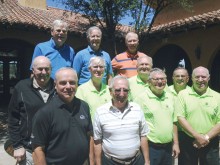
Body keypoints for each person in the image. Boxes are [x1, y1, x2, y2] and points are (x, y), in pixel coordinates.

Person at [31, 67, 93, 165]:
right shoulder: (45, 113)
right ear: (55, 85)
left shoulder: (84, 106)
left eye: (72, 82)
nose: (68, 87)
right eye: (63, 83)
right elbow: (37, 149)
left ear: (77, 84)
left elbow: (90, 137)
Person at [7, 56, 55, 165]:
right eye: (40, 69)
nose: (44, 72)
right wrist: (17, 146)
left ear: (51, 70)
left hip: (54, 148)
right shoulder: (21, 87)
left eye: (47, 69)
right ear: (33, 70)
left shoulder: (57, 88)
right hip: (29, 149)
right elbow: (13, 118)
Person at [93, 76, 150, 165]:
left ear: (129, 92)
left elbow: (143, 136)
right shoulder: (100, 112)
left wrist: (147, 161)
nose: (122, 94)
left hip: (136, 161)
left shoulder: (137, 109)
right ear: (110, 91)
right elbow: (97, 142)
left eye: (125, 90)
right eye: (118, 90)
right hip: (110, 162)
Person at [175, 66, 220, 165]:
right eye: (197, 77)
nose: (200, 80)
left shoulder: (217, 97)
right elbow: (180, 117)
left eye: (203, 77)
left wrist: (206, 137)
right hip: (187, 140)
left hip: (210, 141)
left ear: (208, 78)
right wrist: (197, 136)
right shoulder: (183, 94)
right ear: (191, 78)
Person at [134, 68, 180, 165]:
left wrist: (176, 143)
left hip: (168, 147)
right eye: (156, 79)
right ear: (149, 82)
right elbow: (135, 124)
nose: (160, 82)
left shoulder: (170, 97)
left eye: (163, 79)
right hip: (150, 148)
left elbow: (174, 121)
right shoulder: (141, 98)